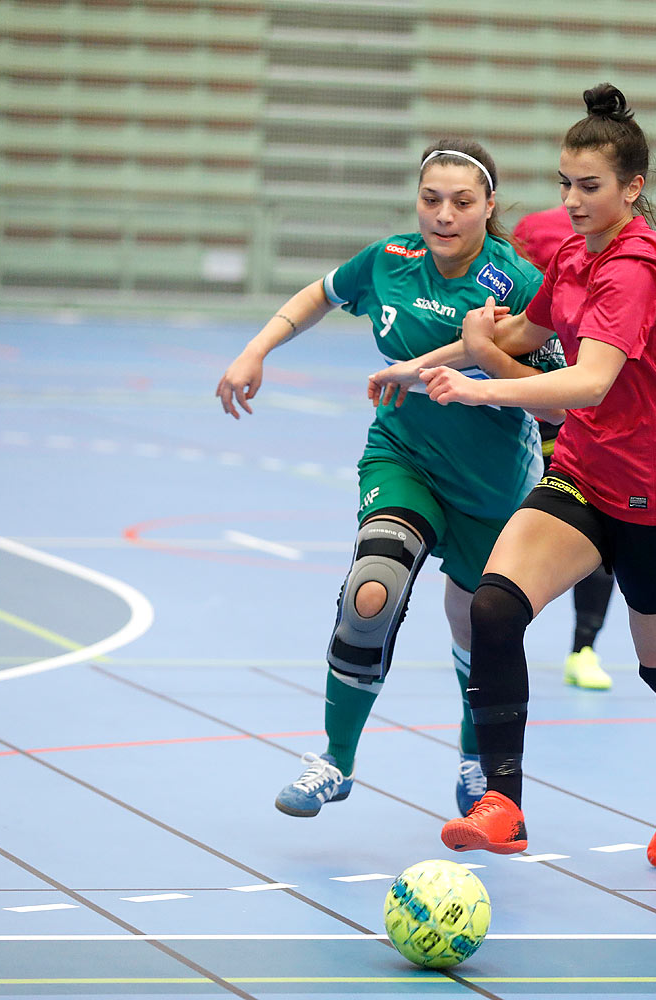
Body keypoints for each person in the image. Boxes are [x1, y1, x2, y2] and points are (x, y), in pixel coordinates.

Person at [414, 84, 656, 869]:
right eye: (564, 183)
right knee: (493, 606)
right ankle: (503, 803)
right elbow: (523, 331)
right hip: (586, 475)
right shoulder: (573, 257)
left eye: (590, 186)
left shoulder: (640, 268)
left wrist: (485, 385)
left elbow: (588, 381)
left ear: (633, 189)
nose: (573, 199)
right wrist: (426, 364)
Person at [215, 140, 563, 820]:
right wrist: (255, 349)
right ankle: (335, 760)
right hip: (402, 456)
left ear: (488, 207)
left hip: (493, 485)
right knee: (370, 592)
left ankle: (474, 762)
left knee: (477, 627)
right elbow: (320, 294)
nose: (443, 214)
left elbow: (555, 397)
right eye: (431, 199)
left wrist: (485, 377)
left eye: (462, 202)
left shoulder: (516, 284)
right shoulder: (390, 260)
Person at [512, 205, 616, 692]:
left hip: (579, 425)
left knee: (600, 540)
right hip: (518, 419)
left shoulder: (624, 258)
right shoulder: (535, 238)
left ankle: (584, 648)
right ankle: (496, 632)